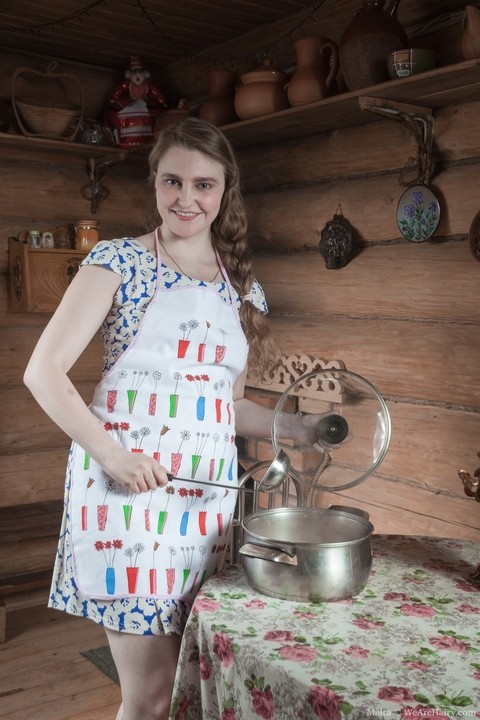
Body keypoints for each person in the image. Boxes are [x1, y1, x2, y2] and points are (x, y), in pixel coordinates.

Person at [24, 117, 317, 720]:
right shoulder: (118, 263)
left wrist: (297, 429)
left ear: (224, 191)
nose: (186, 199)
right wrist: (113, 455)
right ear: (154, 185)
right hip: (128, 499)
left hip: (203, 507)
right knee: (151, 696)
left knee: (187, 686)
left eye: (203, 185)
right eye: (172, 182)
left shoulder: (243, 288)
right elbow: (43, 372)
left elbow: (226, 406)